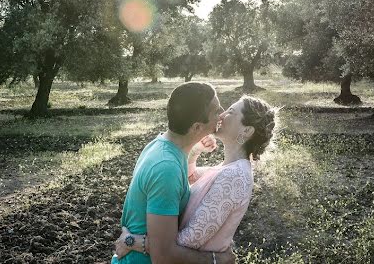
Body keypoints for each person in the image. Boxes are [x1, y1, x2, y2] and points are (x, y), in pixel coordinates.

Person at [114, 96, 277, 262]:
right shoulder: (228, 168)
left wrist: (134, 241)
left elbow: (189, 240)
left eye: (231, 112)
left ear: (247, 131)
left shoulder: (235, 176)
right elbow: (189, 177)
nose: (221, 115)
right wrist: (195, 152)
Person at [110, 82, 236, 264]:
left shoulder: (162, 145)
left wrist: (194, 150)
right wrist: (216, 260)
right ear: (197, 128)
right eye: (216, 110)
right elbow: (164, 257)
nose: (222, 113)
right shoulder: (166, 168)